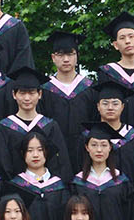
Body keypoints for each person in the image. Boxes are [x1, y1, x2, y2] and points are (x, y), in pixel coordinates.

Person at [39, 32, 94, 163]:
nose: (66, 59)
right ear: (53, 57)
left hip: (84, 153)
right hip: (53, 153)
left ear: (77, 56)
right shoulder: (44, 89)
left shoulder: (89, 88)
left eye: (70, 54)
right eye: (60, 54)